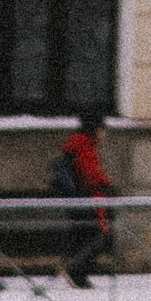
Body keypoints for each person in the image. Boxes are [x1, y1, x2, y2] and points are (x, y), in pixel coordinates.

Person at [46, 107, 116, 288]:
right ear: (96, 129)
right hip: (88, 198)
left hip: (80, 198)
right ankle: (76, 272)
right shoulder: (84, 145)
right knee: (97, 236)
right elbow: (90, 174)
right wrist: (107, 181)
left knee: (83, 236)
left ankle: (74, 270)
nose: (104, 132)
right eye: (102, 128)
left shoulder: (79, 143)